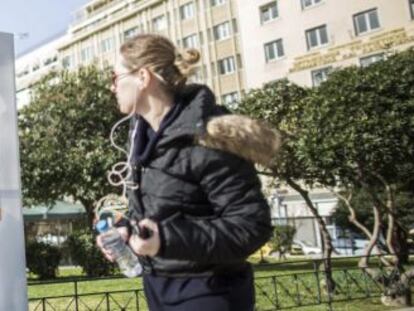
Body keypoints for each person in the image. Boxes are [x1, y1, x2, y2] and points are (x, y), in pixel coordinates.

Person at [97, 33, 273, 311]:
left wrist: (165, 240)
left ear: (143, 77)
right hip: (159, 288)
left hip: (210, 292)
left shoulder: (208, 136)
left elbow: (251, 225)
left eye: (115, 77)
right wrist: (126, 232)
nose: (112, 87)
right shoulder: (141, 139)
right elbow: (161, 214)